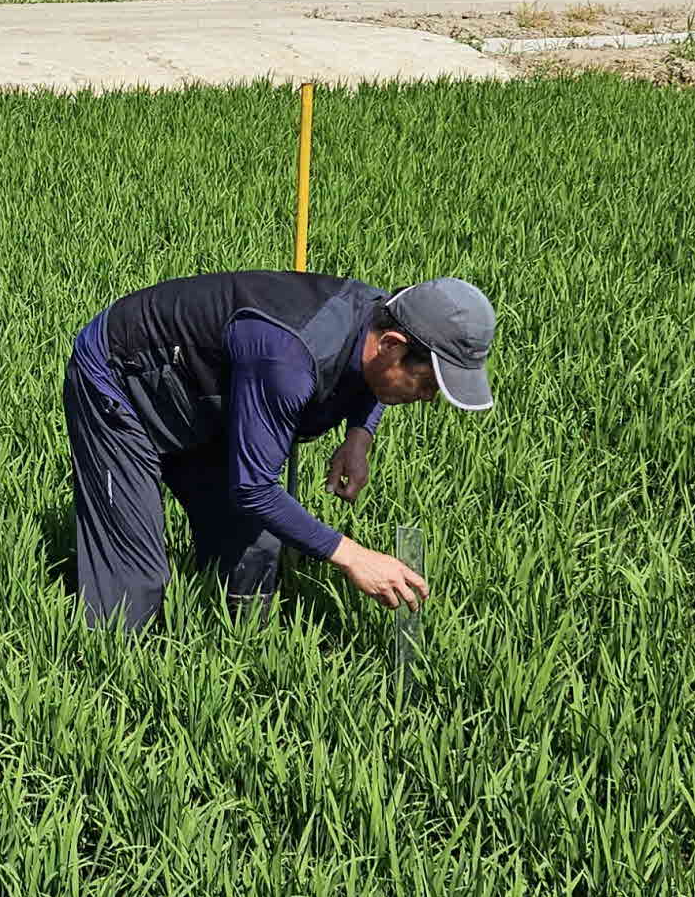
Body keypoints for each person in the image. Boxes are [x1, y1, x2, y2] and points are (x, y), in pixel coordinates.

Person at [62, 270, 493, 630]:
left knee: (252, 550)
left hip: (208, 391)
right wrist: (353, 556)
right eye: (428, 383)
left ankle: (242, 655)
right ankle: (108, 682)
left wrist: (359, 435)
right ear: (392, 345)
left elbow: (371, 379)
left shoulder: (379, 317)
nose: (429, 397)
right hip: (121, 380)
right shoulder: (286, 360)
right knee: (134, 585)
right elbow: (255, 488)